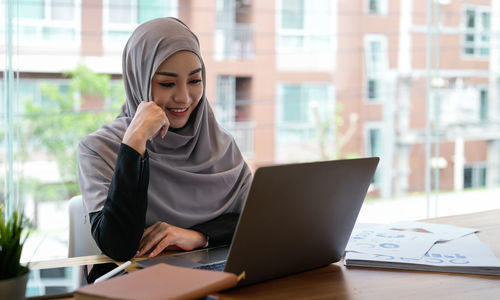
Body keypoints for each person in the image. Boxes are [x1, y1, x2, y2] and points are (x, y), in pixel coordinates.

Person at [77, 17, 252, 262]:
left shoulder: (221, 145)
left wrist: (198, 236)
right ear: (139, 80)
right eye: (167, 83)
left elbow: (257, 219)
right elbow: (118, 245)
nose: (184, 97)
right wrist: (135, 143)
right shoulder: (99, 149)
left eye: (195, 80)